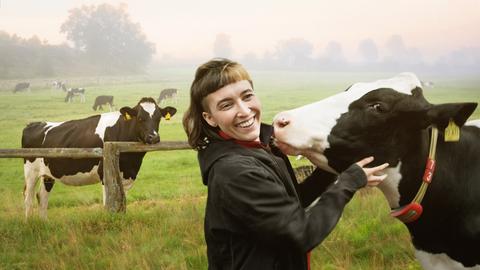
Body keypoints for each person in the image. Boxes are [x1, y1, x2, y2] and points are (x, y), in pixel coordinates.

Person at [183, 58, 389, 270]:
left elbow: (293, 204)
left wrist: (333, 166)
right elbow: (301, 232)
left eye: (247, 96)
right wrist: (350, 181)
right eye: (227, 105)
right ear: (210, 118)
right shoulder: (234, 171)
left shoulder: (261, 149)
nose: (244, 111)